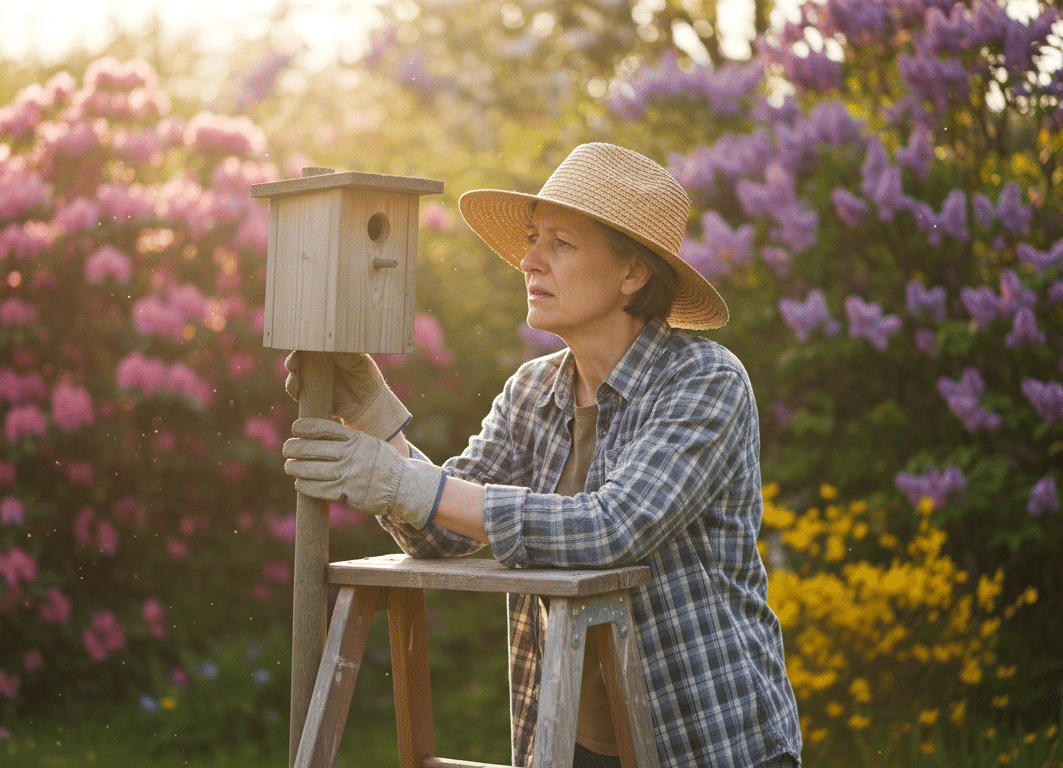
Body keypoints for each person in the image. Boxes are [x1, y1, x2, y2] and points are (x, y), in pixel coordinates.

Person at [282, 143, 802, 768]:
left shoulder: (703, 383)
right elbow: (441, 533)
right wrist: (376, 418)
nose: (529, 260)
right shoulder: (533, 390)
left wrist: (401, 483)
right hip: (568, 744)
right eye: (533, 239)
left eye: (560, 242)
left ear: (632, 273)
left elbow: (612, 529)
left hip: (708, 742)